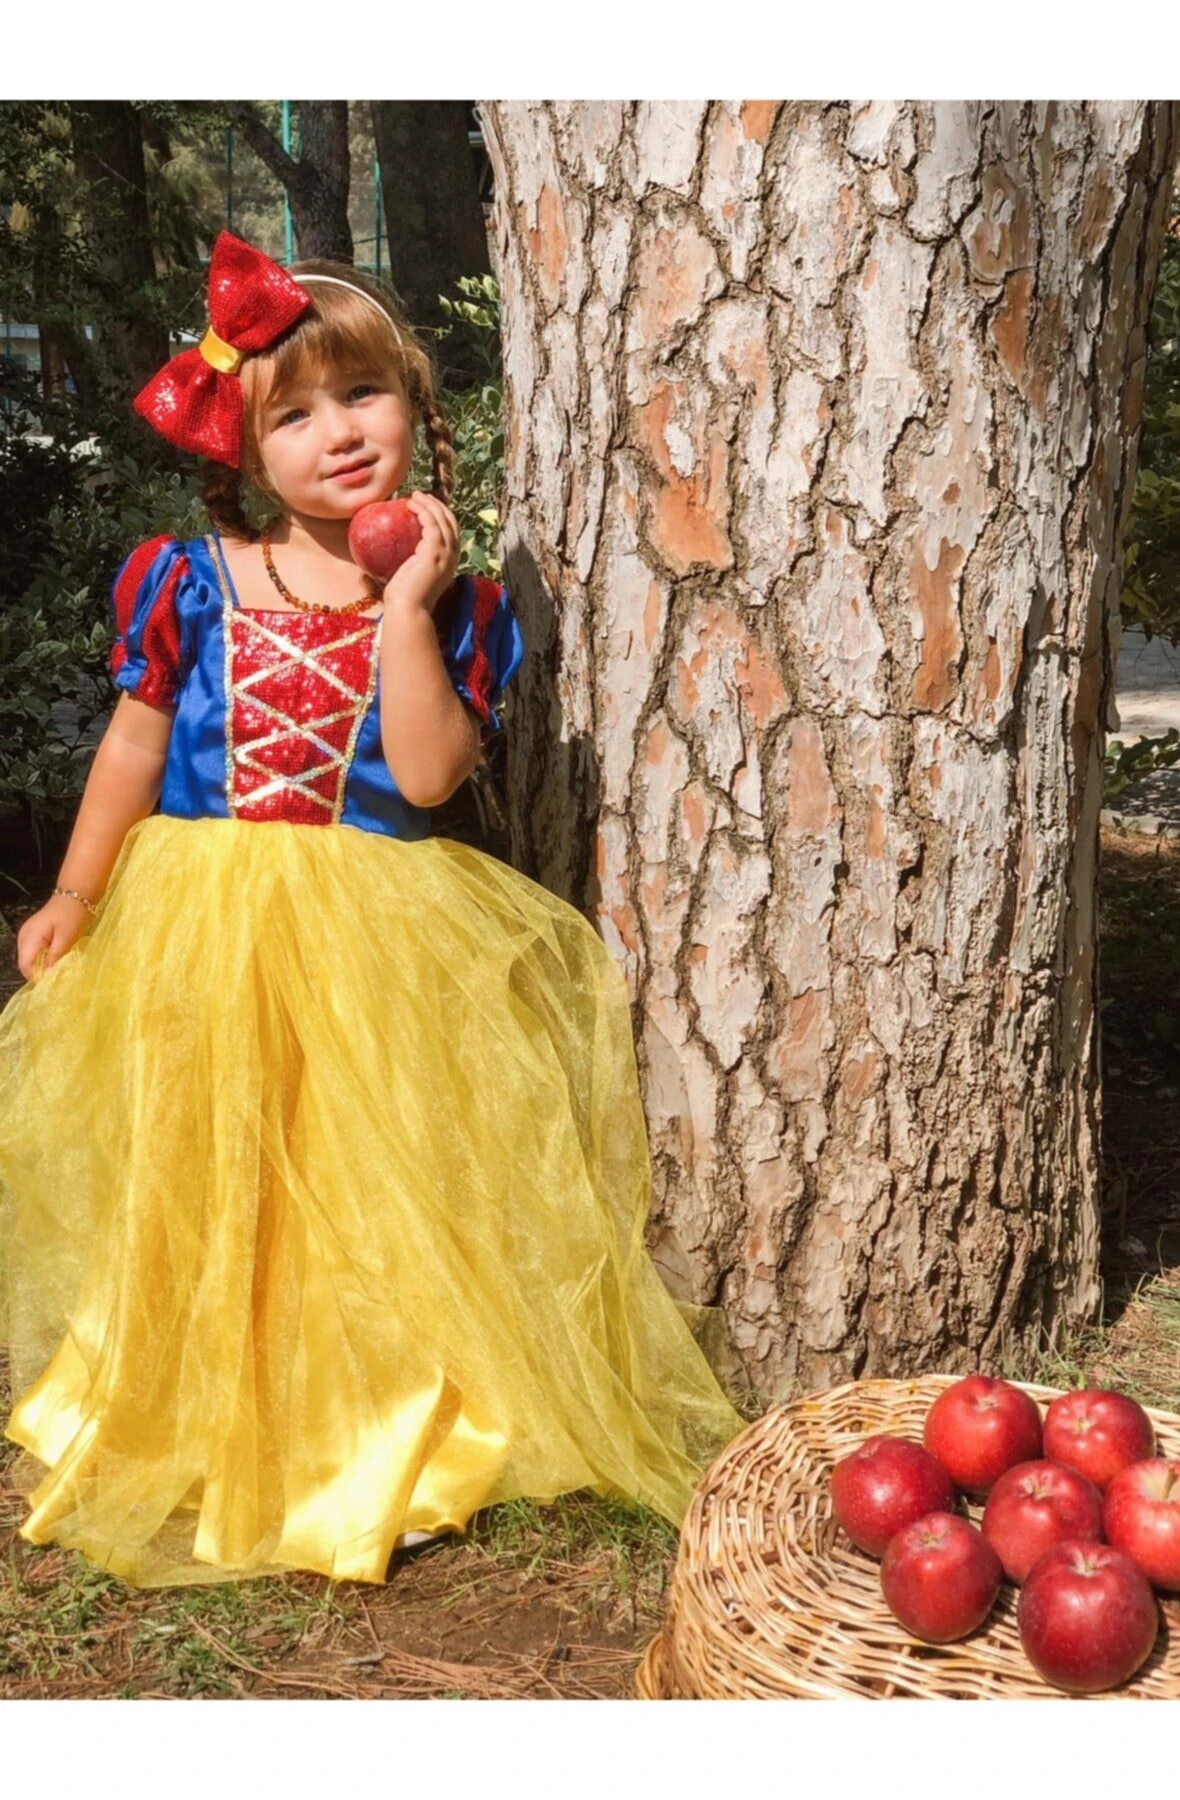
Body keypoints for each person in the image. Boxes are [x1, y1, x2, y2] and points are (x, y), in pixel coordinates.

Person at [0, 232, 743, 1588]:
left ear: (415, 407)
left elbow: (427, 771)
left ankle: (369, 1422)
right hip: (203, 919)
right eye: (294, 414)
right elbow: (130, 742)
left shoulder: (449, 605)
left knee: (371, 1179)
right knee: (208, 1165)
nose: (337, 434)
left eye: (363, 398)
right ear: (243, 448)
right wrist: (74, 888)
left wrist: (406, 606)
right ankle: (200, 1402)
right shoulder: (192, 578)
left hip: (377, 936)